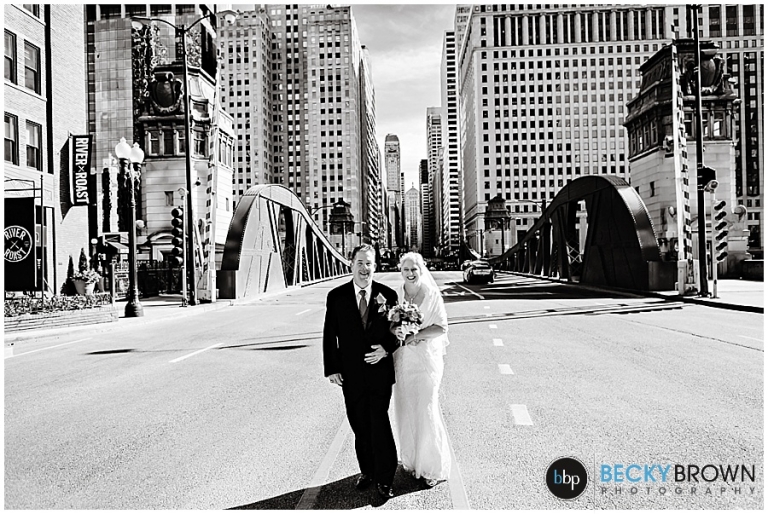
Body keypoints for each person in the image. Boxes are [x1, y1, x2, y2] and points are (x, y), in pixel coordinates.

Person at [322, 244, 401, 499]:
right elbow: (329, 334)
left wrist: (386, 349)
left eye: (369, 263)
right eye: (360, 263)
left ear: (375, 266)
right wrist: (332, 368)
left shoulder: (388, 295)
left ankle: (385, 479)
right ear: (351, 265)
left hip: (379, 373)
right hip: (351, 374)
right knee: (359, 424)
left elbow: (399, 332)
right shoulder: (336, 297)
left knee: (378, 422)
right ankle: (367, 471)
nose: (364, 268)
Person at [392, 252, 452, 488]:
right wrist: (397, 331)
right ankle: (412, 460)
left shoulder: (432, 294)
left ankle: (431, 466)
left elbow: (441, 327)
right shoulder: (396, 294)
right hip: (404, 360)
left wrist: (416, 335)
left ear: (421, 269)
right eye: (406, 269)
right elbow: (389, 324)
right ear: (401, 271)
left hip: (426, 360)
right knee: (406, 409)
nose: (410, 273)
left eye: (414, 269)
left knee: (426, 409)